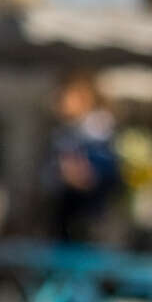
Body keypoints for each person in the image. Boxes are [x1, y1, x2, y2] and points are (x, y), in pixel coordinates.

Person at [44, 71, 124, 245]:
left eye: (64, 95)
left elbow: (108, 176)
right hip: (66, 219)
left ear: (83, 97)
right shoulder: (63, 135)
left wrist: (84, 176)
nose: (58, 101)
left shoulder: (99, 134)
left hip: (91, 222)